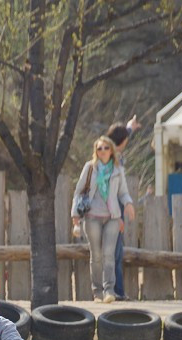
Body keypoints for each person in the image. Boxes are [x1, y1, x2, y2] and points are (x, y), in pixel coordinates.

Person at [71, 136, 135, 303]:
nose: (103, 151)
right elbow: (79, 191)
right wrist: (75, 216)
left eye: (106, 148)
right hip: (92, 217)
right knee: (96, 255)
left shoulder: (117, 170)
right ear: (96, 151)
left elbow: (123, 192)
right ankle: (97, 292)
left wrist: (128, 204)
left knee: (109, 254)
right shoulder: (90, 168)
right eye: (99, 148)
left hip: (112, 217)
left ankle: (109, 291)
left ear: (111, 150)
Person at [105, 115, 141, 300]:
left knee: (116, 252)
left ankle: (116, 291)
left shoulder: (110, 153)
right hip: (112, 211)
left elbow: (116, 139)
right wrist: (116, 216)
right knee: (114, 253)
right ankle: (115, 292)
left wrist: (129, 128)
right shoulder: (111, 161)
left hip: (115, 209)